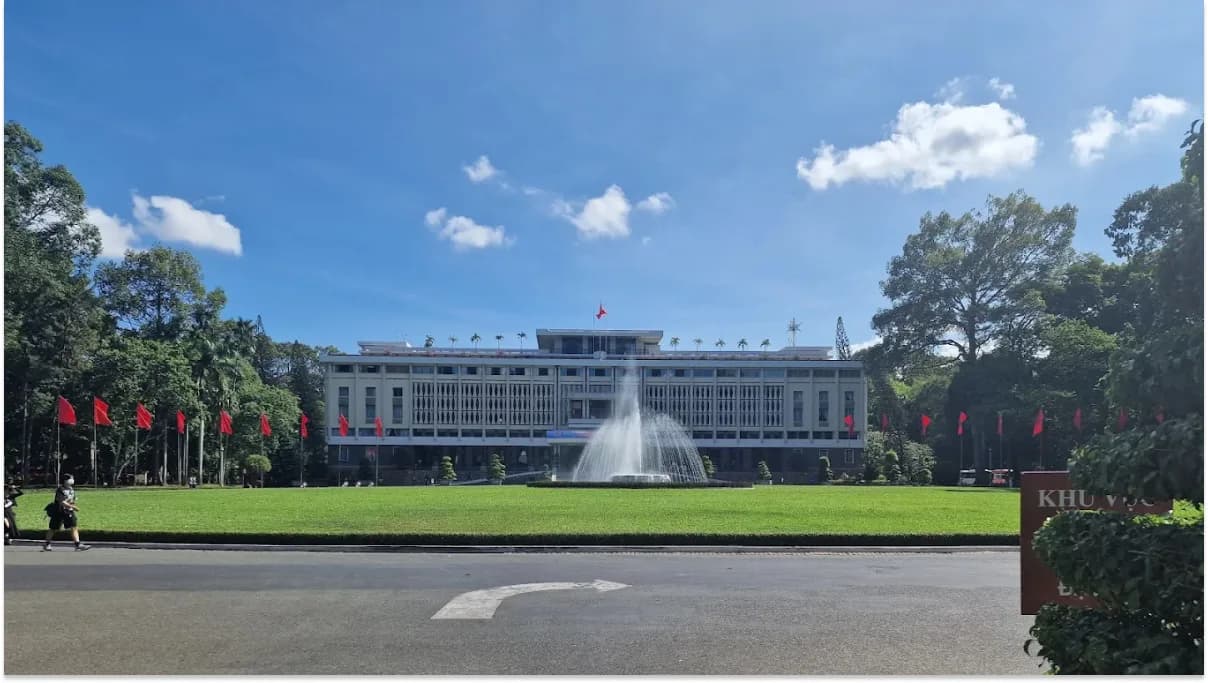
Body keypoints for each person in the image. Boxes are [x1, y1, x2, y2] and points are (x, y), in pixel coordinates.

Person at [43, 473, 89, 551]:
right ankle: (47, 544)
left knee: (73, 526)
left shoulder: (71, 489)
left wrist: (72, 505)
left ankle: (77, 544)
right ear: (65, 480)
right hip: (59, 511)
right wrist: (73, 507)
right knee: (53, 528)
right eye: (70, 479)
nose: (72, 480)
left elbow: (72, 499)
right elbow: (62, 502)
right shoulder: (60, 489)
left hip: (69, 511)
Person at [4, 478, 22, 545]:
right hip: (4, 512)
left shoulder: (11, 496)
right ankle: (6, 538)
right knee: (6, 525)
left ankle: (7, 538)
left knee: (10, 526)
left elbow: (20, 493)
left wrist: (15, 488)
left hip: (9, 512)